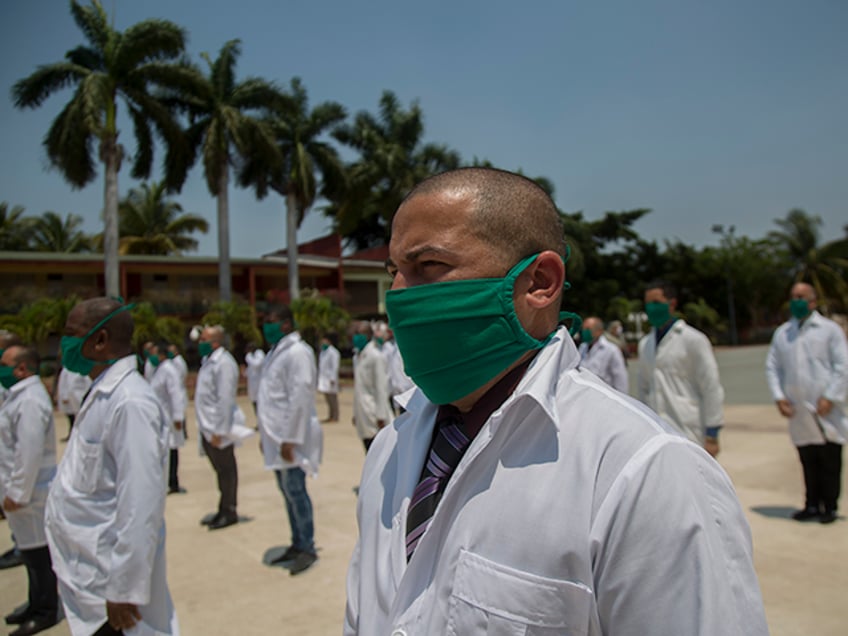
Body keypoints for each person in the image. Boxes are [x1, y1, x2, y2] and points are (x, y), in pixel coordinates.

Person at [344, 167, 768, 635]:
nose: (399, 295)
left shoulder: (645, 471)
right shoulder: (390, 447)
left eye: (428, 267)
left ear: (540, 282)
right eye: (394, 272)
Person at [45, 297, 178, 635]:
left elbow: (141, 503)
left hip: (109, 587)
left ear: (100, 340)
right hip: (88, 575)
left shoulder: (131, 402)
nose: (65, 343)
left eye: (72, 334)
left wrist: (124, 588)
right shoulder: (102, 393)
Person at [765, 282, 848, 524]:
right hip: (797, 410)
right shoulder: (783, 333)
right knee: (808, 460)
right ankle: (811, 504)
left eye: (801, 296)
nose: (796, 301)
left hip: (826, 409)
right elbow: (773, 367)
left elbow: (842, 366)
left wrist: (830, 397)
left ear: (813, 301)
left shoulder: (829, 330)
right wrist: (779, 396)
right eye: (793, 297)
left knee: (830, 459)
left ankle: (829, 507)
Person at [257, 305, 323, 575]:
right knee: (287, 493)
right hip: (276, 437)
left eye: (270, 321)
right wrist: (268, 437)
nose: (266, 326)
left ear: (285, 324)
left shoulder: (298, 352)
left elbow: (300, 397)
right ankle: (296, 542)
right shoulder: (276, 352)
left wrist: (290, 439)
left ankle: (307, 547)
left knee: (296, 492)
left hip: (290, 438)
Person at [0, 346, 60, 635]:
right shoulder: (18, 397)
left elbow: (29, 452)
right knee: (29, 554)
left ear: (22, 369)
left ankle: (46, 610)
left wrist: (18, 493)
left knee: (39, 557)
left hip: (30, 494)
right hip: (19, 492)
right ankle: (35, 602)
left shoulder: (30, 401)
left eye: (4, 364)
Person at [636, 280, 725, 456]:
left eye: (656, 303)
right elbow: (643, 388)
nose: (652, 309)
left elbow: (711, 387)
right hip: (657, 431)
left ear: (672, 304)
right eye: (648, 304)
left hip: (689, 429)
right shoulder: (645, 344)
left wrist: (712, 434)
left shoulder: (693, 340)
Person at [194, 325, 241, 530]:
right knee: (219, 471)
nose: (199, 342)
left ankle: (229, 510)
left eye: (203, 339)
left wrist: (219, 431)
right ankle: (222, 508)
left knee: (226, 471)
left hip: (217, 429)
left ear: (215, 342)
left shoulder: (224, 363)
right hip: (207, 427)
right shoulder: (208, 362)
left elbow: (225, 399)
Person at [0, 330, 25, 571]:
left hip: (19, 474)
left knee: (33, 543)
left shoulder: (26, 396)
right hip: (6, 463)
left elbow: (28, 448)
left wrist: (18, 489)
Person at [149, 342, 187, 495]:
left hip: (169, 418)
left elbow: (175, 393)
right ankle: (165, 481)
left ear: (162, 354)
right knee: (164, 450)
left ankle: (173, 482)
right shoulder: (159, 369)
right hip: (160, 417)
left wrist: (178, 417)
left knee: (171, 449)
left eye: (154, 353)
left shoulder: (169, 370)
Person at [351, 321, 393, 452]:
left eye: (359, 333)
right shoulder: (357, 356)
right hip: (363, 412)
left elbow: (381, 387)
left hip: (375, 415)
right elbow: (359, 388)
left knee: (378, 455)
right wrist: (355, 413)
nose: (356, 337)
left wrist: (381, 416)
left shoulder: (376, 356)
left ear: (368, 335)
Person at [578, 316, 628, 393]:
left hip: (604, 397)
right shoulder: (582, 348)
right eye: (583, 329)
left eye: (588, 329)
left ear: (599, 331)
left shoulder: (611, 350)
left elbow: (620, 380)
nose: (584, 332)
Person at [54, 366, 91, 442]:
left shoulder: (81, 368)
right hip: (73, 397)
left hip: (80, 396)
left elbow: (87, 382)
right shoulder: (66, 369)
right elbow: (64, 384)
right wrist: (64, 396)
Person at [317, 335, 340, 423]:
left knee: (332, 398)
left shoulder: (333, 352)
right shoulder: (323, 351)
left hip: (330, 378)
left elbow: (335, 366)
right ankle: (330, 415)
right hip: (324, 378)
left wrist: (332, 378)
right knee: (327, 398)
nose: (322, 343)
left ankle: (335, 416)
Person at [243, 342, 265, 417]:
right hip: (253, 385)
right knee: (254, 403)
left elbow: (256, 364)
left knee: (261, 404)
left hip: (259, 384)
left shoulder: (259, 354)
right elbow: (250, 370)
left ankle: (262, 421)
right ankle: (258, 421)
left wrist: (248, 357)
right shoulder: (251, 357)